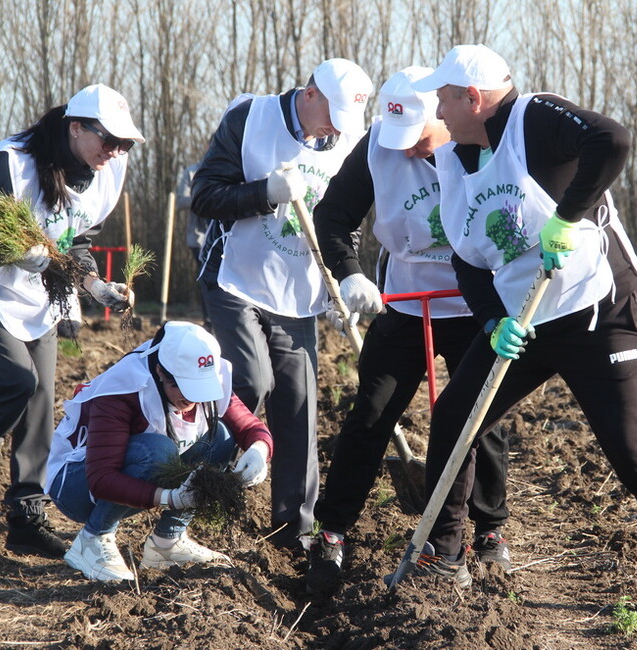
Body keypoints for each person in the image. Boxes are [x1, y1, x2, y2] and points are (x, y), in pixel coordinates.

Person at [399, 44, 637, 620]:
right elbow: (469, 259)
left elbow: (613, 140)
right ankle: (445, 554)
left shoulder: (534, 119)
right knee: (456, 416)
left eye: (444, 99)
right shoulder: (453, 162)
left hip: (597, 305)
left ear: (473, 98)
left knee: (628, 444)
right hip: (525, 314)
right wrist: (491, 320)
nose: (439, 113)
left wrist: (567, 217)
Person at [306, 67, 512, 595]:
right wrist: (349, 274)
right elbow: (332, 217)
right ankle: (332, 532)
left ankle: (489, 529)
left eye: (420, 139)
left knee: (481, 420)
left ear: (446, 113)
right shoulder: (379, 145)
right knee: (370, 414)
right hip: (405, 302)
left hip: (477, 303)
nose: (410, 151)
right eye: (399, 139)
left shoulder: (491, 144)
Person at [0, 84, 142, 559]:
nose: (115, 152)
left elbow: (76, 241)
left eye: (124, 144)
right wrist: (14, 251)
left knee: (42, 399)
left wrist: (94, 286)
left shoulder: (102, 174)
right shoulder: (11, 165)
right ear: (76, 128)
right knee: (16, 380)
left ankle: (26, 517)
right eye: (108, 140)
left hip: (37, 291)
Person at [191, 58, 373, 550]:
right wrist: (263, 193)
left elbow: (344, 224)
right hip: (234, 277)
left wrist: (345, 280)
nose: (336, 129)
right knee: (251, 379)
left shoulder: (348, 142)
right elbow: (204, 196)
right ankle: (203, 484)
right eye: (332, 113)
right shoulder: (250, 118)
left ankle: (296, 526)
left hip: (298, 292)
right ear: (309, 93)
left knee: (299, 405)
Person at [45, 321, 273, 582]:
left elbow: (248, 425)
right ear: (161, 372)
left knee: (220, 436)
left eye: (199, 388)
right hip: (75, 485)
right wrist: (170, 498)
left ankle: (167, 543)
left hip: (123, 473)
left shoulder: (206, 374)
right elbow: (101, 479)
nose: (194, 399)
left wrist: (259, 449)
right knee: (158, 450)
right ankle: (92, 540)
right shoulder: (124, 390)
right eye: (185, 388)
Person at [175, 161, 209, 329]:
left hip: (226, 237)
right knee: (206, 277)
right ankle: (208, 320)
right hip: (199, 237)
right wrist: (205, 196)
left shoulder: (230, 167)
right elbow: (180, 201)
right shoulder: (192, 172)